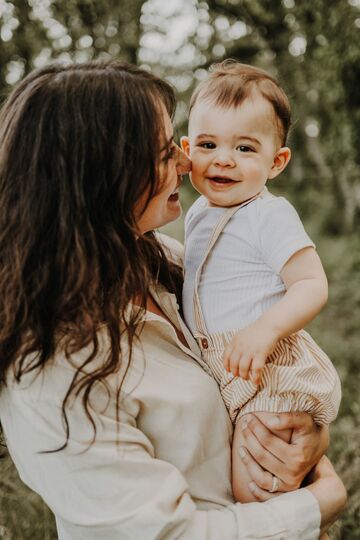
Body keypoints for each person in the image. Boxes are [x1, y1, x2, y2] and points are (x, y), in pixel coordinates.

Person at [0, 61, 345, 539]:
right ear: (101, 176)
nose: (188, 165)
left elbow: (256, 391)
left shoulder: (164, 260)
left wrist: (307, 435)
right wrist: (318, 503)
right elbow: (166, 534)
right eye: (168, 153)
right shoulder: (51, 369)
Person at [181, 60, 342, 506]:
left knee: (255, 490)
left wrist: (266, 330)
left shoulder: (268, 215)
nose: (224, 159)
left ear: (277, 162)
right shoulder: (196, 213)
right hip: (229, 368)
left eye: (246, 148)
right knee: (250, 489)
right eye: (208, 144)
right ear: (186, 149)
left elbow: (312, 283)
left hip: (268, 369)